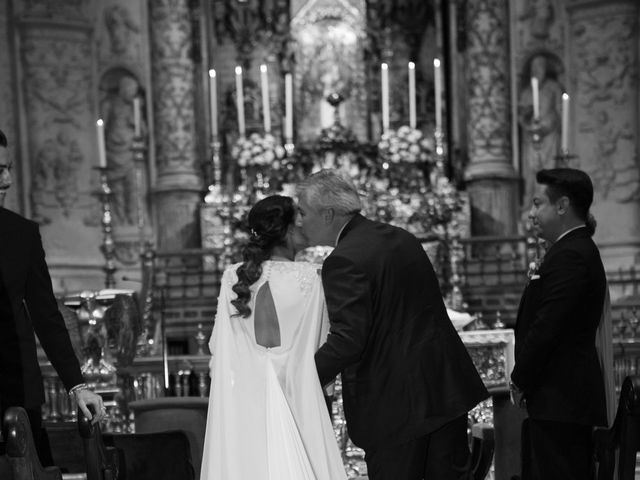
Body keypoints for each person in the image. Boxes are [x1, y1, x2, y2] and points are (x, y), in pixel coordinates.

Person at [296, 169, 488, 480]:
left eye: (303, 212)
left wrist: (300, 379)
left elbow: (348, 340)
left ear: (328, 213)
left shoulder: (343, 260)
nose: (300, 221)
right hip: (443, 388)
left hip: (394, 406)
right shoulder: (400, 237)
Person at [200, 195, 347, 480]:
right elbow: (324, 343)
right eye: (299, 220)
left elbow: (218, 346)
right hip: (299, 392)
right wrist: (323, 398)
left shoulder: (233, 276)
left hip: (246, 396)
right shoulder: (315, 277)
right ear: (289, 230)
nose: (304, 225)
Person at [0, 129, 105, 464]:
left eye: (9, 168)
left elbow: (46, 316)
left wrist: (77, 385)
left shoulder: (22, 233)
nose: (6, 179)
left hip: (15, 388)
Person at [510, 168, 608, 479]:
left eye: (538, 204)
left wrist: (520, 378)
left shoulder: (572, 255)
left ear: (562, 206)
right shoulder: (569, 250)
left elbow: (547, 326)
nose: (532, 213)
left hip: (561, 397)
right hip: (559, 398)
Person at [518, 54, 563, 209]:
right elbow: (521, 117)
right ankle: (532, 207)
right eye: (534, 68)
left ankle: (548, 204)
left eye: (540, 67)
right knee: (532, 174)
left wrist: (547, 125)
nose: (537, 70)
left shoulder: (553, 88)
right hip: (531, 139)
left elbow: (560, 111)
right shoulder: (526, 93)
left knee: (549, 172)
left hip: (549, 137)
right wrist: (527, 122)